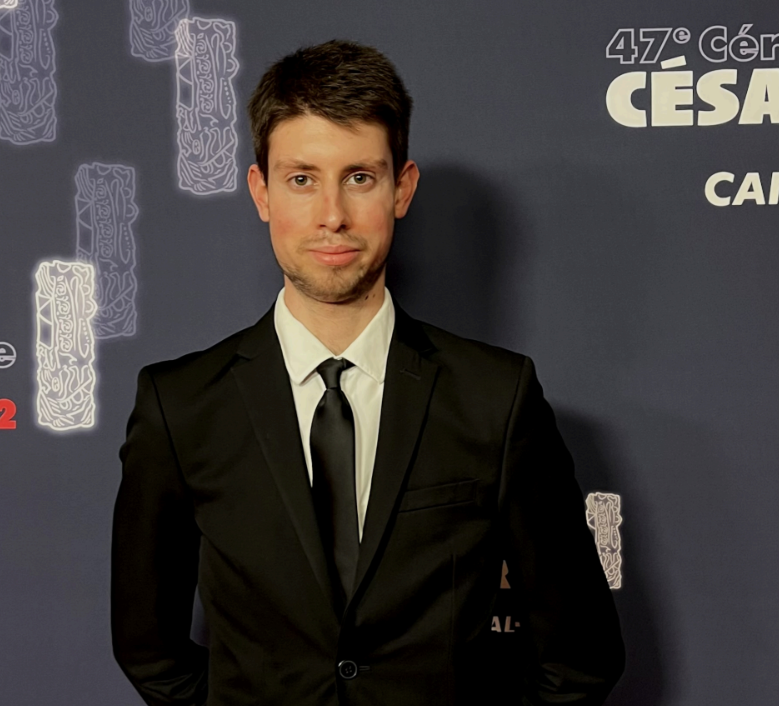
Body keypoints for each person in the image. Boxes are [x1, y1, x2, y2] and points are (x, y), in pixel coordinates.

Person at [111, 39, 624, 706]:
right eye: (302, 179)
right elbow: (149, 650)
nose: (332, 215)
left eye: (359, 177)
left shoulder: (496, 398)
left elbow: (580, 657)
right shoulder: (180, 406)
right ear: (261, 191)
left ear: (401, 188)